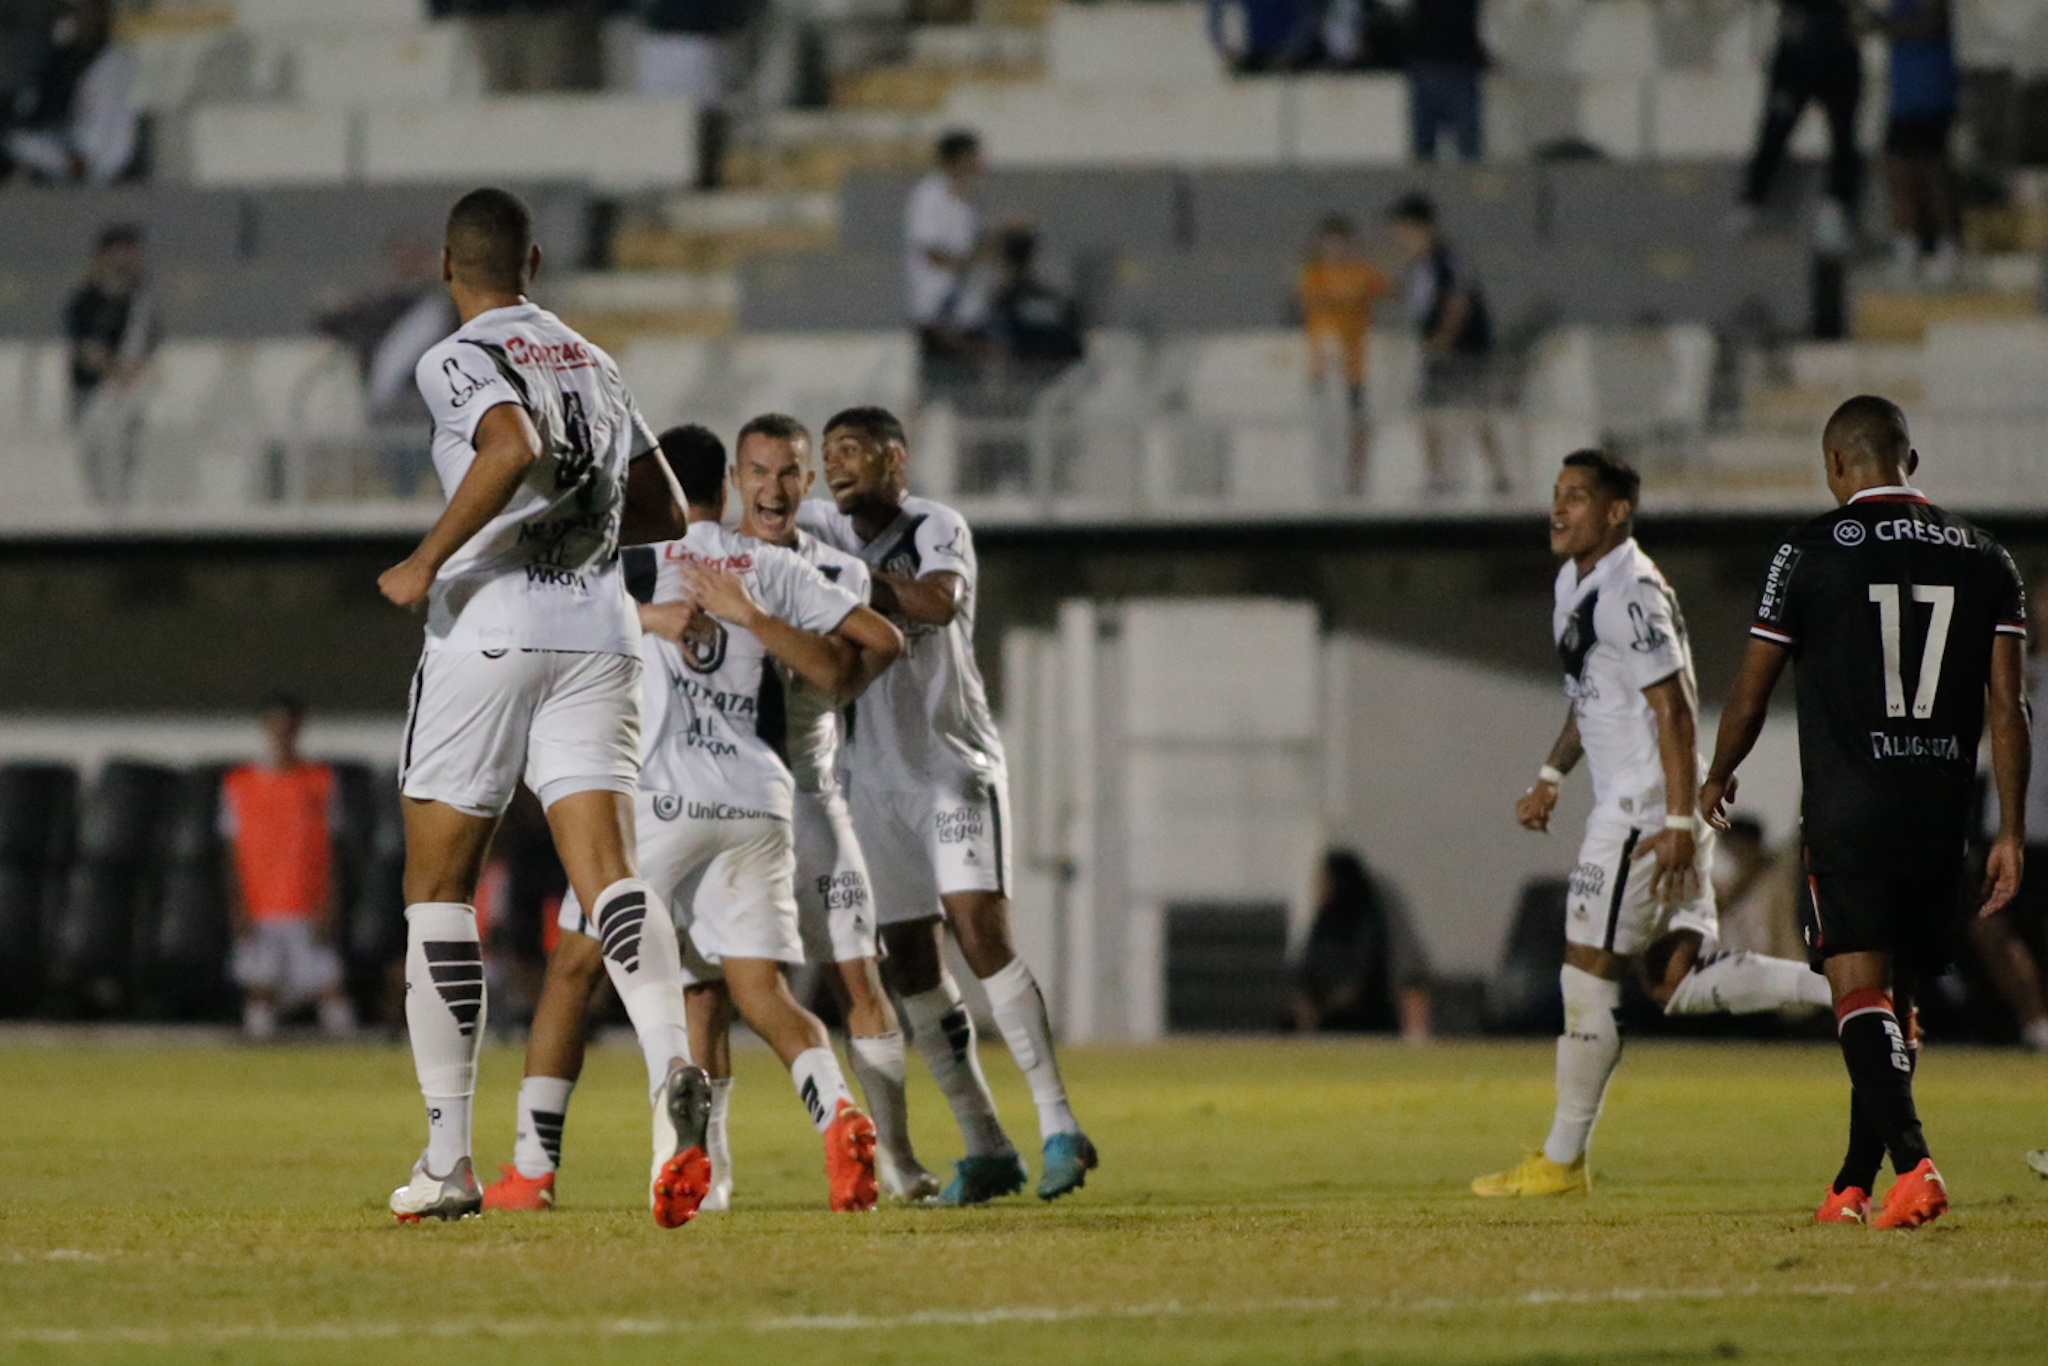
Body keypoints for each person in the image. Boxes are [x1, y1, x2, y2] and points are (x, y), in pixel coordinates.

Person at [376, 186, 706, 1227]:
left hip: (492, 624)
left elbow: (507, 444)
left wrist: (427, 558)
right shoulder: (595, 359)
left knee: (439, 885)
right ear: (535, 258)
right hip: (601, 627)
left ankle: (445, 1161)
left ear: (447, 266)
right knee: (606, 874)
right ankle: (670, 1072)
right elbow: (670, 508)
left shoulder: (455, 353)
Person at [479, 423, 903, 1216]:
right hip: (758, 797)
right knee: (761, 993)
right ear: (727, 485)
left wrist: (648, 619)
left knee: (572, 975)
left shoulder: (626, 564)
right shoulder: (772, 567)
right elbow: (880, 638)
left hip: (656, 808)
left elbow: (524, 619)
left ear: (660, 487)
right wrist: (796, 658)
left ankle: (532, 1172)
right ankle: (838, 1112)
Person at [1700, 395, 2032, 1229]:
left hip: (1852, 804)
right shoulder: (1988, 556)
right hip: (1942, 808)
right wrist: (2013, 831)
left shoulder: (1808, 550)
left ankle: (1916, 1166)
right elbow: (2009, 707)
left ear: (1835, 466)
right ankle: (1852, 1182)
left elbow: (1752, 685)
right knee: (1898, 998)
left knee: (1856, 987)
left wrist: (1719, 771)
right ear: (1908, 462)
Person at [1472, 449, 1833, 1199]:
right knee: (1678, 980)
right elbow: (1595, 695)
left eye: (1578, 496)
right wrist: (1549, 776)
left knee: (1585, 973)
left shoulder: (1630, 589)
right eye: (1557, 493)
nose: (1560, 508)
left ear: (1616, 512)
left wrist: (1675, 817)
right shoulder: (1579, 582)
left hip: (1643, 813)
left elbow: (1672, 707)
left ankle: (1562, 1159)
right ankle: (1851, 992)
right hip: (1648, 807)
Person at [801, 406, 1099, 1204]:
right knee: (910, 961)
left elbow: (936, 604)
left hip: (950, 766)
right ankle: (985, 1142)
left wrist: (846, 580)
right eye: (828, 454)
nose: (838, 467)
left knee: (978, 932)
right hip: (870, 780)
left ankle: (1060, 1123)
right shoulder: (817, 528)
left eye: (855, 451)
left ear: (897, 459)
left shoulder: (937, 525)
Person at [706, 412, 940, 1203]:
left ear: (808, 485)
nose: (773, 489)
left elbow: (864, 658)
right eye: (759, 472)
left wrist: (832, 693)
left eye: (789, 474)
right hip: (718, 800)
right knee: (705, 990)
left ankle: (897, 1160)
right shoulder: (696, 560)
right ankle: (713, 1173)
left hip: (808, 797)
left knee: (858, 979)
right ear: (737, 479)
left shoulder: (833, 574)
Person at [221, 695, 356, 1041]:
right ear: (265, 729)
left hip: (307, 903)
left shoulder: (321, 781)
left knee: (329, 990)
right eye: (275, 726)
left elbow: (333, 851)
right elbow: (232, 853)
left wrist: (330, 904)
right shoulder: (240, 784)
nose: (282, 734)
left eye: (289, 726)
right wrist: (238, 908)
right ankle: (259, 1077)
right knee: (260, 991)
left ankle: (353, 1069)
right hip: (261, 905)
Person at [1968, 574, 2048, 1054]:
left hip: (2044, 826)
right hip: (2009, 827)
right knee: (1988, 926)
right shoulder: (2019, 666)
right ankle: (2036, 1022)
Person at [313, 236, 456, 498]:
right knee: (397, 472)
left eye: (416, 257)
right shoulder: (378, 304)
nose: (409, 264)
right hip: (388, 402)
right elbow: (332, 322)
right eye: (402, 258)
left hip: (428, 404)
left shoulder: (442, 306)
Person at [1390, 194, 1507, 499]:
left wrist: (1442, 341)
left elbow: (1459, 300)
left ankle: (1494, 473)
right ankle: (1441, 475)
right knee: (1436, 411)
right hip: (1441, 348)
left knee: (1469, 409)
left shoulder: (1446, 258)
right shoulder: (1423, 263)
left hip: (1459, 349)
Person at [1735, 0, 1862, 243]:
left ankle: (1838, 206)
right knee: (1775, 128)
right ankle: (1754, 199)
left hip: (1836, 51)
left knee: (1842, 134)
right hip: (1797, 52)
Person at [1290, 848, 1431, 1041]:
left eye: (1324, 880)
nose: (1318, 888)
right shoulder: (1325, 921)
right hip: (1327, 1024)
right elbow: (1308, 973)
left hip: (1375, 1022)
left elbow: (1405, 973)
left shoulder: (1376, 915)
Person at [1297, 214, 1390, 496]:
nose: (1336, 251)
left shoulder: (1362, 273)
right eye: (1330, 245)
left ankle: (1356, 476)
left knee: (1358, 422)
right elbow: (1318, 299)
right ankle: (1326, 476)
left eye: (1341, 244)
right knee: (1326, 423)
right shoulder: (1314, 275)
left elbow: (1390, 289)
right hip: (1323, 365)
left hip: (1355, 366)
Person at [65, 223, 157, 505]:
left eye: (134, 252)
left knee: (127, 465)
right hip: (93, 393)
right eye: (123, 251)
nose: (131, 258)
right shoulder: (85, 300)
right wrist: (115, 372)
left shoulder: (141, 301)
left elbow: (151, 347)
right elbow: (86, 350)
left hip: (130, 393)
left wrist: (135, 372)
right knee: (96, 465)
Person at [1, 0, 136, 185]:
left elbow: (97, 128)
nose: (83, 20)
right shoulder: (68, 56)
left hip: (92, 161)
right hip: (64, 147)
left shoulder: (114, 61)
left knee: (15, 142)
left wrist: (79, 159)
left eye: (89, 13)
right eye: (78, 14)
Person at [1874, 0, 1959, 284]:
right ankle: (1906, 249)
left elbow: (1932, 23)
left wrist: (1884, 26)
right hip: (1903, 98)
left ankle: (1945, 248)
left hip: (1931, 94)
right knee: (1898, 175)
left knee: (1931, 175)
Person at [905, 130, 989, 387]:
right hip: (938, 310)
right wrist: (977, 258)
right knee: (934, 385)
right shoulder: (929, 196)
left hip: (965, 310)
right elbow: (931, 251)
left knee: (968, 386)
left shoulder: (965, 203)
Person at [1405, 0, 1485, 163]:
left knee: (1428, 147)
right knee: (1463, 144)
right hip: (1451, 63)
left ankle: (1425, 185)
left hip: (1443, 63)